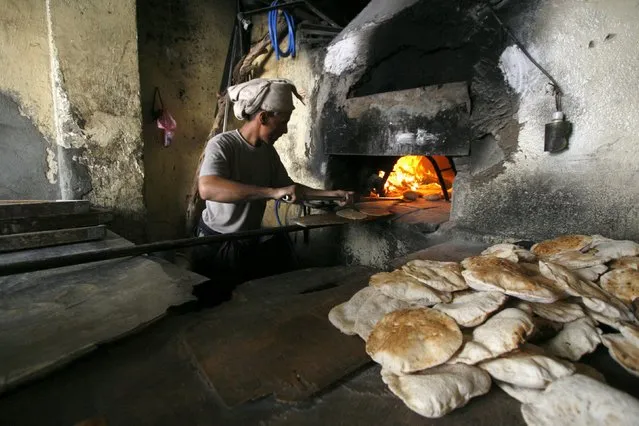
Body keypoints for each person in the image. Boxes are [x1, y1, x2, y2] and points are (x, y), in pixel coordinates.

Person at [192, 78, 353, 294]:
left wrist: (334, 194)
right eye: (283, 121)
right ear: (263, 117)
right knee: (214, 309)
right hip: (215, 243)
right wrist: (271, 192)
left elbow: (290, 189)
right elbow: (208, 188)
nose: (285, 130)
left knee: (245, 303)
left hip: (246, 243)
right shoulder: (223, 145)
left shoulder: (267, 153)